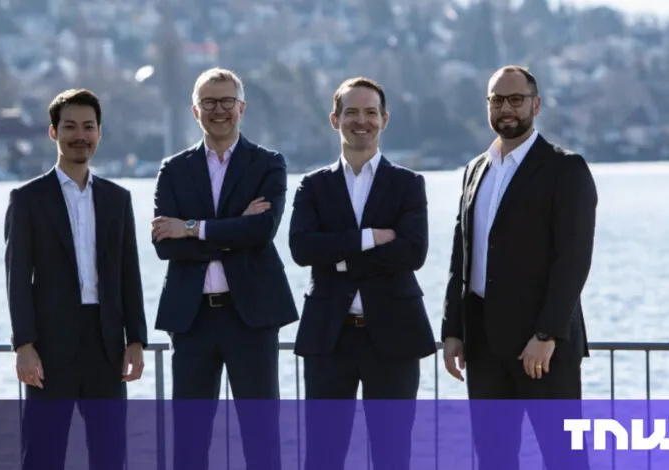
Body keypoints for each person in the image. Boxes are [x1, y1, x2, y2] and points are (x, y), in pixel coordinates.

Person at [440, 66, 596, 469]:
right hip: (484, 347)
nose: (506, 108)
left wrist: (546, 333)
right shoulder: (476, 169)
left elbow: (574, 260)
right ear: (487, 106)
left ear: (536, 105)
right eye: (497, 99)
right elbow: (462, 253)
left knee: (563, 458)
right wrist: (453, 329)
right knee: (493, 458)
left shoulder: (566, 168)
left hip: (543, 349)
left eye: (515, 99)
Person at [151, 67, 298, 470]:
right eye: (209, 103)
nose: (219, 110)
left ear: (242, 107)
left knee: (261, 438)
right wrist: (234, 228)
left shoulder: (268, 164)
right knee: (190, 442)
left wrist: (192, 228)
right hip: (192, 319)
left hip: (250, 317)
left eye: (227, 102)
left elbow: (262, 230)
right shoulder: (173, 169)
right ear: (195, 111)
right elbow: (165, 244)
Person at [289, 77, 436, 470]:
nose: (361, 121)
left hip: (393, 335)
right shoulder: (312, 185)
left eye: (371, 112)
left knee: (392, 454)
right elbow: (302, 249)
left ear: (384, 119)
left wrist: (337, 257)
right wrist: (369, 238)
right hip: (329, 337)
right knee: (323, 454)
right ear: (335, 119)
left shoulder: (408, 184)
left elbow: (412, 252)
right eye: (351, 112)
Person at [4, 88, 148, 470]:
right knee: (43, 455)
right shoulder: (28, 199)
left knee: (110, 456)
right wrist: (24, 344)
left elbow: (128, 273)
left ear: (99, 132)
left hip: (106, 346)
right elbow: (17, 277)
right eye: (70, 126)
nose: (79, 135)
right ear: (53, 132)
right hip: (50, 349)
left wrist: (135, 338)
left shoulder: (118, 199)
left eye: (88, 127)